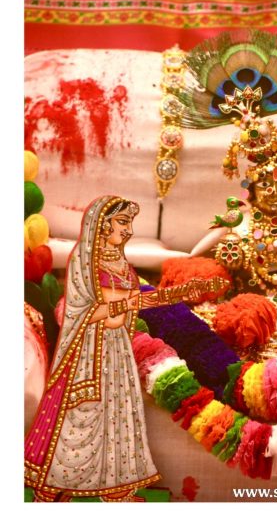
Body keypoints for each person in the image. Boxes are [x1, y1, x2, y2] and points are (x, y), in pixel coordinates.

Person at [24, 195, 221, 502]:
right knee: (82, 422)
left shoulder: (120, 262)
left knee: (119, 420)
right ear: (103, 226)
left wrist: (179, 293)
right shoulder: (84, 262)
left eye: (129, 223)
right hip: (89, 353)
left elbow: (132, 302)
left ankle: (115, 491)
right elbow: (87, 311)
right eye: (123, 222)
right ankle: (54, 490)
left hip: (117, 348)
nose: (129, 230)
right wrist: (136, 303)